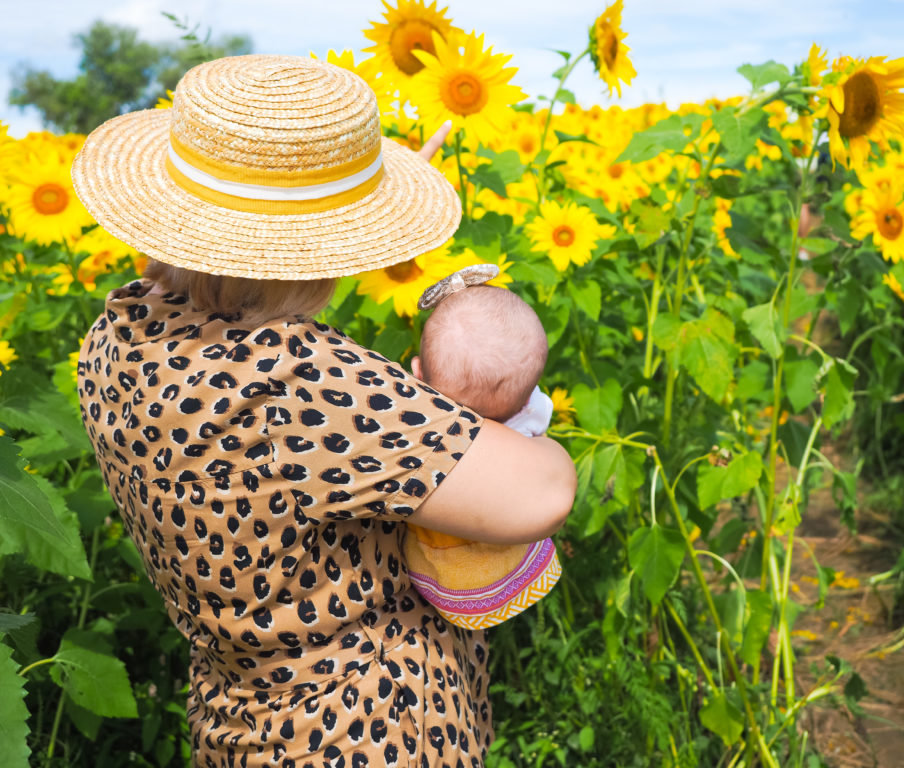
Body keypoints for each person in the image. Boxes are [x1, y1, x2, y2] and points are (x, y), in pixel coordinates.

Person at [71, 54, 576, 768]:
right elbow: (541, 492)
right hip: (369, 727)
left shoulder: (116, 341)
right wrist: (536, 433)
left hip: (236, 719)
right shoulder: (295, 383)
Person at [402, 269, 562, 629]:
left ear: (417, 373)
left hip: (439, 578)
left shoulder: (419, 429)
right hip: (512, 566)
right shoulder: (529, 416)